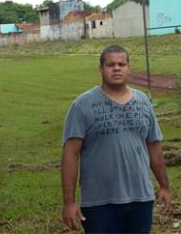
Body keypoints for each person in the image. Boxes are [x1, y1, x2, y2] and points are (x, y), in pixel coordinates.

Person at [61, 45, 171, 233]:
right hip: (99, 203)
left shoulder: (143, 101)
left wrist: (164, 186)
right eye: (110, 64)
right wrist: (69, 202)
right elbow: (70, 154)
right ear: (101, 68)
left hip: (141, 199)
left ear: (129, 68)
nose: (117, 68)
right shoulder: (82, 105)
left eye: (121, 64)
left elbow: (154, 147)